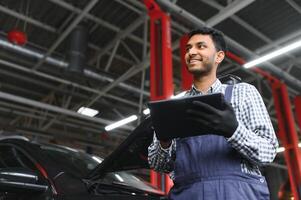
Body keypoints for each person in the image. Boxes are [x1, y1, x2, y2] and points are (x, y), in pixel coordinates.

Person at [148, 27, 279, 200]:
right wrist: (164, 142)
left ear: (219, 56)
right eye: (188, 48)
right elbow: (158, 165)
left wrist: (234, 131)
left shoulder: (244, 93)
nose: (191, 52)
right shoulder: (174, 108)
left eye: (200, 46)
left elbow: (268, 152)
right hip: (188, 193)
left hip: (238, 192)